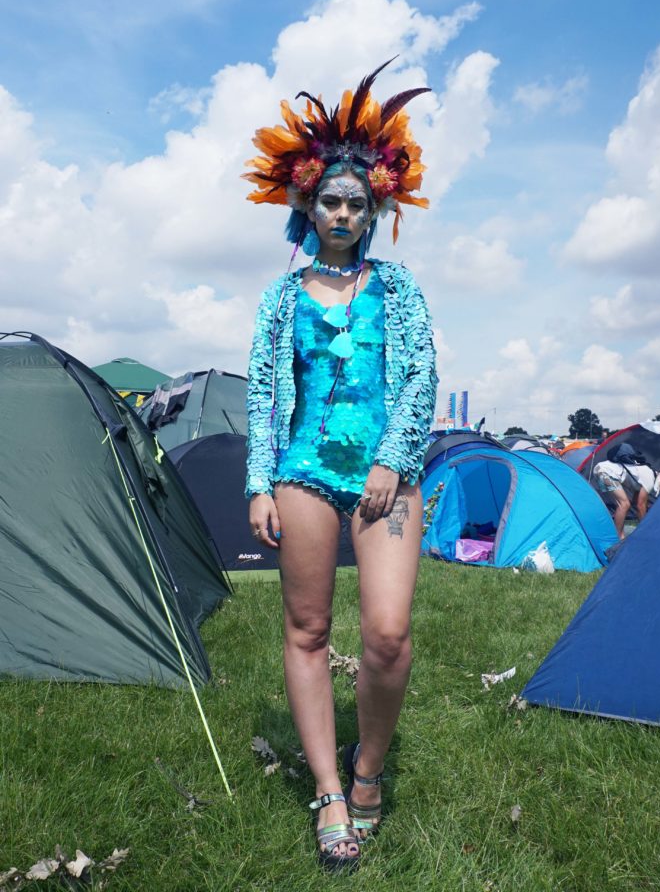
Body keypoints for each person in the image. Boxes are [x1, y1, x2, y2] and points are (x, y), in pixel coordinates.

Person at [243, 60, 437, 871]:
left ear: (375, 208)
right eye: (331, 201)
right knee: (309, 629)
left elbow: (423, 374)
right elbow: (261, 391)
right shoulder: (281, 298)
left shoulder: (397, 288)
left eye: (359, 204)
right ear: (306, 203)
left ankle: (368, 770)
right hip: (304, 474)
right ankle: (328, 790)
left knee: (387, 636)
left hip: (383, 482)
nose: (345, 215)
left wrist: (392, 460)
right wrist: (258, 478)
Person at [594, 443, 660, 538]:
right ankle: (617, 537)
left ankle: (619, 535)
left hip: (601, 472)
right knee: (624, 504)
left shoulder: (647, 474)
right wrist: (645, 528)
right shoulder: (650, 478)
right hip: (605, 473)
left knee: (623, 504)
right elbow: (640, 506)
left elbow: (637, 501)